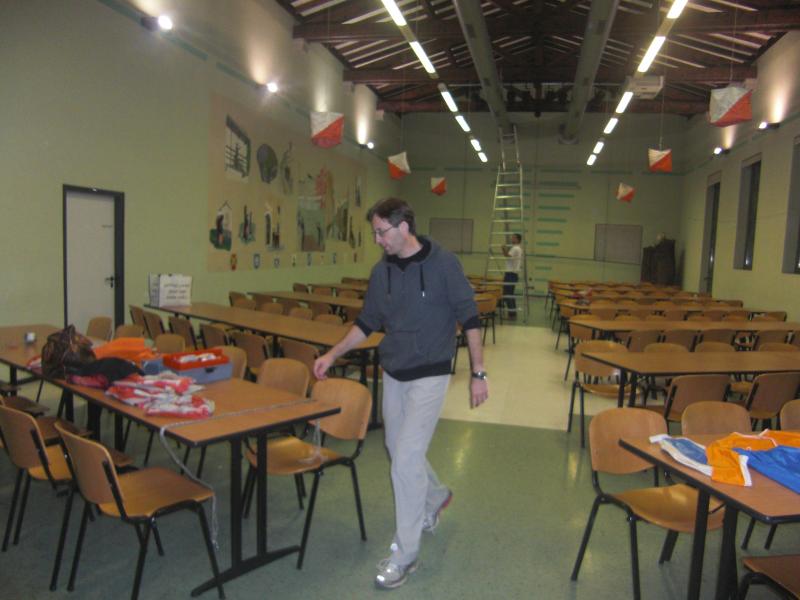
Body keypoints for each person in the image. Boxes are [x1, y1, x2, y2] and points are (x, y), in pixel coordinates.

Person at [313, 197, 488, 590]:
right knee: (397, 449)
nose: (377, 240)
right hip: (394, 372)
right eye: (375, 232)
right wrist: (332, 354)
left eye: (381, 232)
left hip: (431, 373)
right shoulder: (382, 272)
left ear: (404, 227)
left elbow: (470, 317)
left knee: (405, 458)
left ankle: (405, 555)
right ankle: (436, 496)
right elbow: (367, 322)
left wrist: (478, 372)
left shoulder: (444, 264)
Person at [501, 233, 522, 319]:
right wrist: (504, 250)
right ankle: (513, 313)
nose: (512, 239)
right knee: (510, 294)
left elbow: (507, 255)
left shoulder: (515, 248)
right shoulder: (517, 248)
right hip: (512, 274)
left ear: (517, 240)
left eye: (514, 238)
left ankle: (512, 314)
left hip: (510, 274)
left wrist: (503, 248)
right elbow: (508, 256)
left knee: (507, 294)